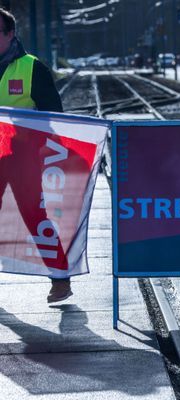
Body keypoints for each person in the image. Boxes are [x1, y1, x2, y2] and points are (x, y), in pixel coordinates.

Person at [0, 7, 72, 303]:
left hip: (22, 158)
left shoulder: (32, 68)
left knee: (33, 215)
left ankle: (60, 279)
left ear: (10, 35)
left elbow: (54, 116)